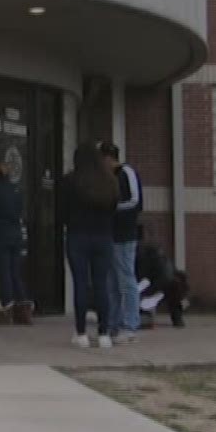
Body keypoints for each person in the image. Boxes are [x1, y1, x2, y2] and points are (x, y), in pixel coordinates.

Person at [60, 142, 119, 349]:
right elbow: (114, 209)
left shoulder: (70, 181)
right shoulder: (109, 182)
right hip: (103, 237)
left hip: (77, 236)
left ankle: (81, 332)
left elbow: (62, 211)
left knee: (80, 284)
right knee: (102, 284)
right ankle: (104, 333)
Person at [100, 143, 143, 342]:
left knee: (126, 279)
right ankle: (112, 323)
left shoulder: (126, 172)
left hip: (125, 234)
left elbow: (135, 201)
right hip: (110, 234)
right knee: (112, 282)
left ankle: (130, 324)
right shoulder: (108, 178)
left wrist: (113, 208)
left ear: (109, 158)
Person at [0, 155, 31, 323]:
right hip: (15, 233)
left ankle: (6, 308)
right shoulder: (16, 190)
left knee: (4, 272)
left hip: (0, 234)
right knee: (16, 271)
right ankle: (23, 308)